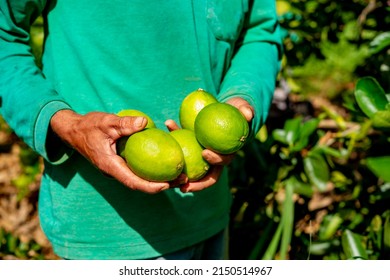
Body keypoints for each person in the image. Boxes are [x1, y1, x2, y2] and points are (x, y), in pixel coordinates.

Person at [0, 0, 282, 260]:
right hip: (107, 231)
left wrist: (243, 99)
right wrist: (66, 124)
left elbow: (259, 32)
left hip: (211, 214)